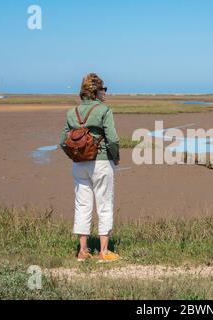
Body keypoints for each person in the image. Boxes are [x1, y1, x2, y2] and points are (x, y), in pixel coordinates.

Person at [59, 73, 120, 263]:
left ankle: (83, 251)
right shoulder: (104, 110)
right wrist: (115, 158)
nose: (106, 93)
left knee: (82, 205)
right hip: (101, 163)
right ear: (96, 92)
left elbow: (62, 142)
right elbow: (113, 139)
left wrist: (75, 156)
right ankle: (104, 251)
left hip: (79, 166)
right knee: (104, 205)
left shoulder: (72, 113)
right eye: (104, 90)